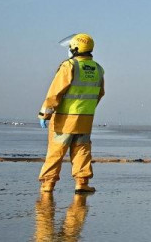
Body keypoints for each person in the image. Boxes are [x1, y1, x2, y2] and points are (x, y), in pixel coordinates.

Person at [37, 33, 105, 194]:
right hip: (85, 120)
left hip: (64, 118)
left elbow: (55, 92)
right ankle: (82, 183)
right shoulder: (98, 69)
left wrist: (45, 113)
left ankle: (48, 184)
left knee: (56, 151)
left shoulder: (69, 66)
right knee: (82, 150)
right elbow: (100, 93)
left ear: (75, 48)